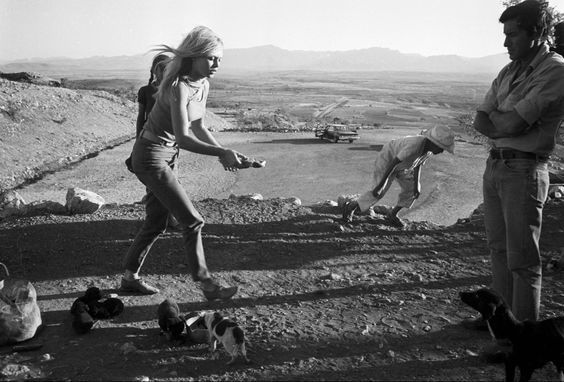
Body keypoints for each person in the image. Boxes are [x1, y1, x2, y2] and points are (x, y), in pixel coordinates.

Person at [120, 26, 248, 300]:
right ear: (196, 55)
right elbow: (184, 137)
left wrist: (226, 152)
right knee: (192, 221)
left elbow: (199, 127)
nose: (216, 64)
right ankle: (207, 284)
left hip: (169, 154)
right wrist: (221, 152)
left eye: (220, 60)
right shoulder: (177, 86)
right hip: (151, 155)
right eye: (212, 58)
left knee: (156, 222)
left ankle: (129, 278)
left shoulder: (203, 84)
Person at [464, 0, 564, 342]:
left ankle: (524, 339)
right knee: (499, 249)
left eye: (513, 35)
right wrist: (504, 126)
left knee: (522, 260)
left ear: (537, 33)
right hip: (496, 166)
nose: (506, 43)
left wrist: (502, 123)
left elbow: (515, 120)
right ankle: (502, 327)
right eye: (505, 35)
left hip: (524, 170)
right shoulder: (508, 71)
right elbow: (482, 119)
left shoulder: (554, 69)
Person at [341, 125, 455, 227]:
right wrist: (381, 184)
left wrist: (417, 185)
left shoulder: (428, 150)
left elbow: (418, 165)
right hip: (388, 161)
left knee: (412, 191)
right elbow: (393, 163)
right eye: (441, 148)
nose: (441, 151)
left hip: (404, 165)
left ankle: (392, 214)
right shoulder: (415, 145)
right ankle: (351, 206)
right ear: (433, 143)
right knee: (378, 191)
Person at [125, 54, 170, 173]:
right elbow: (141, 118)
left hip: (170, 144)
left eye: (169, 68)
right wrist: (137, 143)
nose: (166, 72)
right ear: (155, 70)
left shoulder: (174, 90)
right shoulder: (145, 91)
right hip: (150, 141)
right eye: (163, 68)